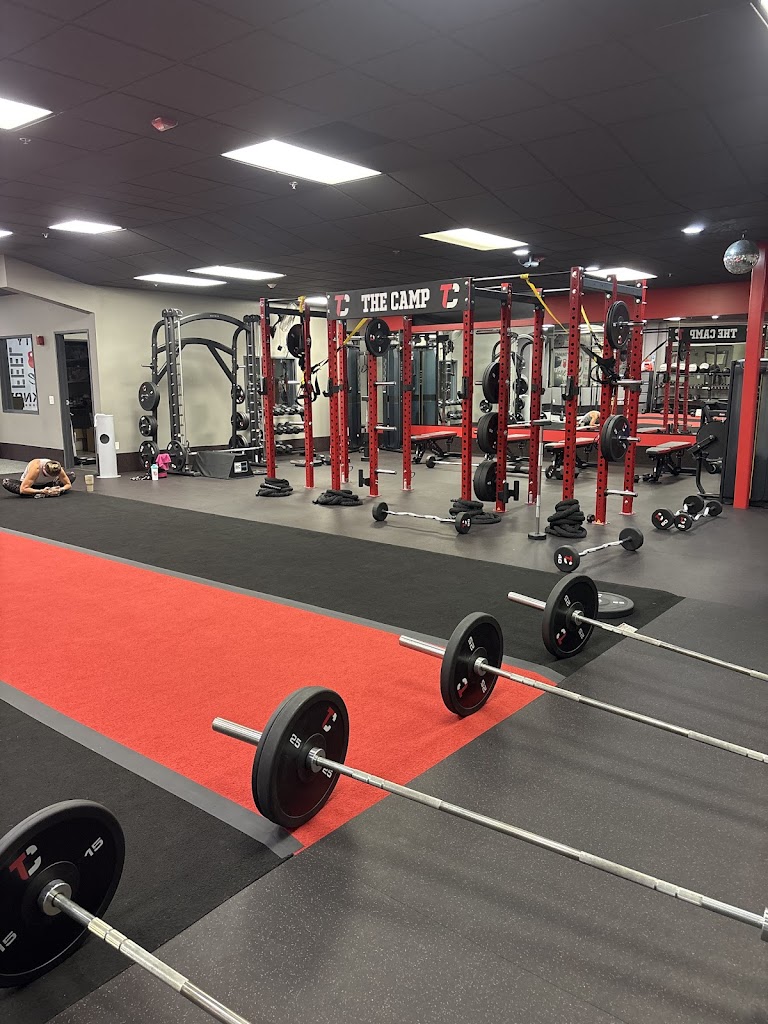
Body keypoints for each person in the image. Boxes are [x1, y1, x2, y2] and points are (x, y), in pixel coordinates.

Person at [2, 459, 75, 497]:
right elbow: (23, 489)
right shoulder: (36, 468)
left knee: (72, 475)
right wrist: (41, 491)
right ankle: (37, 493)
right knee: (6, 482)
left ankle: (49, 492)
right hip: (32, 486)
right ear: (43, 469)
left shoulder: (58, 469)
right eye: (47, 475)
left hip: (49, 485)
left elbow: (68, 484)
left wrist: (60, 489)